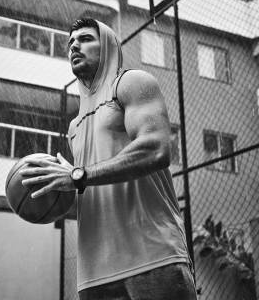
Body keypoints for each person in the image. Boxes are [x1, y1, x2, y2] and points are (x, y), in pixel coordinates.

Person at [20, 18, 196, 299]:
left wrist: (78, 175)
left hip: (151, 254)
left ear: (110, 47)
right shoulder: (74, 126)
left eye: (87, 38)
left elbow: (155, 149)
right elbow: (94, 189)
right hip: (94, 272)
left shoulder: (132, 84)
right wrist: (56, 192)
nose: (75, 45)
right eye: (70, 42)